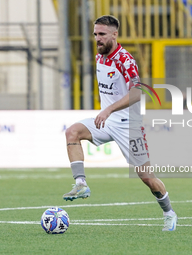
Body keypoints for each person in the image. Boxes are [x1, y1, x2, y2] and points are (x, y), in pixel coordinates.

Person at [63, 15, 177, 231]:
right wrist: (106, 112)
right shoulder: (100, 57)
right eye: (95, 34)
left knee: (146, 177)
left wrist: (108, 109)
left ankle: (169, 212)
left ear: (114, 35)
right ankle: (81, 185)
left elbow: (137, 93)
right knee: (72, 133)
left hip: (128, 125)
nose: (97, 38)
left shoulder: (125, 60)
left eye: (102, 34)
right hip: (106, 121)